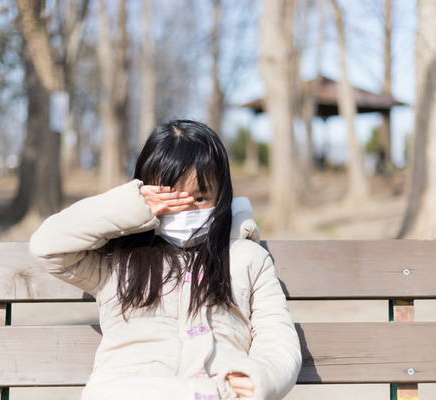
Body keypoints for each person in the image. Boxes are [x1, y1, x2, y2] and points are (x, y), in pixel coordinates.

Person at [29, 119, 301, 400]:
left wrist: (260, 374)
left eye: (200, 198)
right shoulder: (116, 260)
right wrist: (131, 206)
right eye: (171, 198)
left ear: (221, 198)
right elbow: (46, 246)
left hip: (216, 392)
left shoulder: (248, 259)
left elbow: (277, 338)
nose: (185, 210)